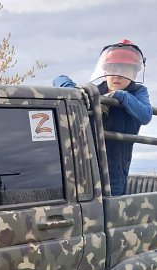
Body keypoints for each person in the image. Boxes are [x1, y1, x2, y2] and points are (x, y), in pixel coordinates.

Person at [53, 40, 152, 195]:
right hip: (86, 164)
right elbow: (59, 78)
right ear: (105, 71)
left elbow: (145, 115)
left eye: (124, 69)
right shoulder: (93, 91)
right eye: (113, 68)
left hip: (116, 167)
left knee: (112, 202)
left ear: (134, 74)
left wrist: (120, 96)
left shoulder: (138, 92)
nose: (117, 74)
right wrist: (73, 91)